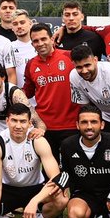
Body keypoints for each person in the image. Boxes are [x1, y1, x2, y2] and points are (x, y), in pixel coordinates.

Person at [0, 102, 61, 218]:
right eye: (14, 121)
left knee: (62, 197)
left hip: (34, 189)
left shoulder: (38, 141)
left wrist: (34, 201)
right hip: (7, 188)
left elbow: (56, 177)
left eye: (23, 121)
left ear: (30, 123)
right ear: (7, 121)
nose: (18, 126)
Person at [23, 23, 78, 152]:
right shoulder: (31, 64)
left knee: (71, 167)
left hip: (70, 124)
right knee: (49, 168)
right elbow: (28, 92)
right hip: (44, 126)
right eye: (35, 41)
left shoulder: (69, 57)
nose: (40, 43)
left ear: (52, 39)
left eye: (43, 39)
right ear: (32, 44)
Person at [9, 9, 37, 89]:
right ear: (12, 27)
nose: (19, 26)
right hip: (19, 97)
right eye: (15, 24)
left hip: (41, 97)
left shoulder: (40, 44)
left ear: (30, 23)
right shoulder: (8, 47)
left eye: (22, 22)